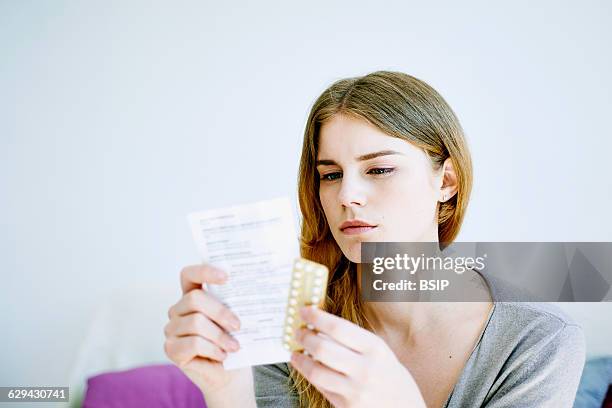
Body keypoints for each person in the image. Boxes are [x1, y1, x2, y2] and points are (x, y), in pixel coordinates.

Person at [164, 71, 586, 407]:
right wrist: (226, 391)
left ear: (447, 181)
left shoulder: (538, 339)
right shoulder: (292, 323)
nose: (347, 195)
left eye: (379, 169)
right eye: (329, 175)